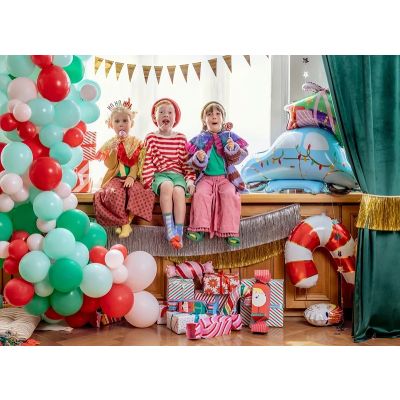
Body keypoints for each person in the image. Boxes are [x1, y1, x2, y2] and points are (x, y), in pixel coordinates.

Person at [186, 101, 248, 246]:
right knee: (200, 194)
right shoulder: (199, 139)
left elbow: (239, 157)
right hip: (205, 178)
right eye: (209, 114)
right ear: (204, 120)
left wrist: (232, 148)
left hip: (225, 178)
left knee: (230, 194)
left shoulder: (229, 137)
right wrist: (199, 158)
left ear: (223, 118)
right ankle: (198, 228)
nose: (214, 116)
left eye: (217, 114)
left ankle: (230, 232)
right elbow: (191, 161)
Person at [94, 99, 155, 238]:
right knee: (114, 193)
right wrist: (113, 150)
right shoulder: (110, 143)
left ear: (131, 123)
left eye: (125, 121)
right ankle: (124, 224)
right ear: (111, 124)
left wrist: (132, 176)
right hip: (116, 177)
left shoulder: (136, 142)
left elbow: (137, 162)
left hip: (132, 177)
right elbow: (110, 165)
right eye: (117, 121)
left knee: (137, 191)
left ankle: (126, 221)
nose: (121, 124)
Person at [142, 98, 195, 249]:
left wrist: (190, 181)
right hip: (161, 175)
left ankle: (179, 232)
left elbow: (186, 164)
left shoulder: (181, 138)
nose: (166, 114)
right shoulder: (151, 138)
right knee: (167, 186)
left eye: (170, 112)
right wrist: (148, 182)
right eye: (162, 112)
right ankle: (169, 228)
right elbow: (147, 162)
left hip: (178, 175)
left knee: (179, 191)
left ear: (175, 118)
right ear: (155, 118)